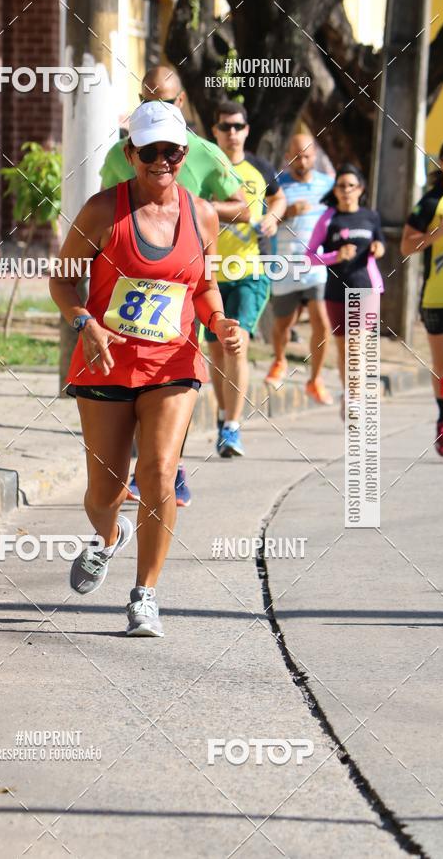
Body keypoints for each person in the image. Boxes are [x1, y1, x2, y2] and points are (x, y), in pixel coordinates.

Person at [50, 100, 240, 636]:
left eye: (172, 152)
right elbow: (63, 281)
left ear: (184, 154)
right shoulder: (101, 211)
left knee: (158, 470)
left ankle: (145, 596)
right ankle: (109, 537)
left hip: (174, 364)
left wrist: (221, 322)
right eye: (150, 150)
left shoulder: (201, 214)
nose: (162, 160)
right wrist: (84, 321)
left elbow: (202, 287)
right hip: (105, 363)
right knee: (103, 492)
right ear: (130, 153)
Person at [100, 66, 250, 502]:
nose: (160, 159)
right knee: (127, 381)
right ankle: (132, 472)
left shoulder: (202, 152)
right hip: (126, 280)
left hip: (182, 281)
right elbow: (103, 211)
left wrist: (198, 211)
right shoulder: (119, 153)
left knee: (174, 376)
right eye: (148, 103)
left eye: (164, 102)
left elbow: (241, 205)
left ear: (181, 104)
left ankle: (170, 466)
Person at [205, 101, 286, 457]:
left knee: (236, 341)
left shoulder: (259, 167)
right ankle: (224, 417)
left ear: (247, 130)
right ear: (215, 131)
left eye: (238, 126)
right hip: (209, 276)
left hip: (249, 272)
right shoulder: (204, 166)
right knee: (216, 354)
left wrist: (275, 218)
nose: (232, 133)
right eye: (225, 127)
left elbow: (279, 198)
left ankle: (233, 428)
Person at [306, 164, 385, 419]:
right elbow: (309, 257)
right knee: (344, 350)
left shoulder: (370, 216)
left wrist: (377, 248)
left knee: (356, 346)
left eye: (351, 186)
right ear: (336, 190)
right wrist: (335, 256)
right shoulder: (329, 218)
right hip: (336, 291)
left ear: (360, 189)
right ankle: (350, 394)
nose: (346, 190)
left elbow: (380, 243)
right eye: (341, 186)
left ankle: (354, 398)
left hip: (367, 289)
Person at [265, 134, 334, 405]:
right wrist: (288, 211)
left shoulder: (327, 186)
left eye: (306, 156)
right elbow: (264, 219)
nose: (301, 162)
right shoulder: (277, 185)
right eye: (296, 156)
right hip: (285, 264)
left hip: (316, 266)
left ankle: (315, 379)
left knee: (322, 322)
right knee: (283, 324)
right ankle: (279, 360)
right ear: (287, 156)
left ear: (314, 156)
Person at [400, 137, 443, 456]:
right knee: (442, 364)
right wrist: (437, 233)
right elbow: (406, 246)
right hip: (438, 295)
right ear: (442, 163)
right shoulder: (431, 203)